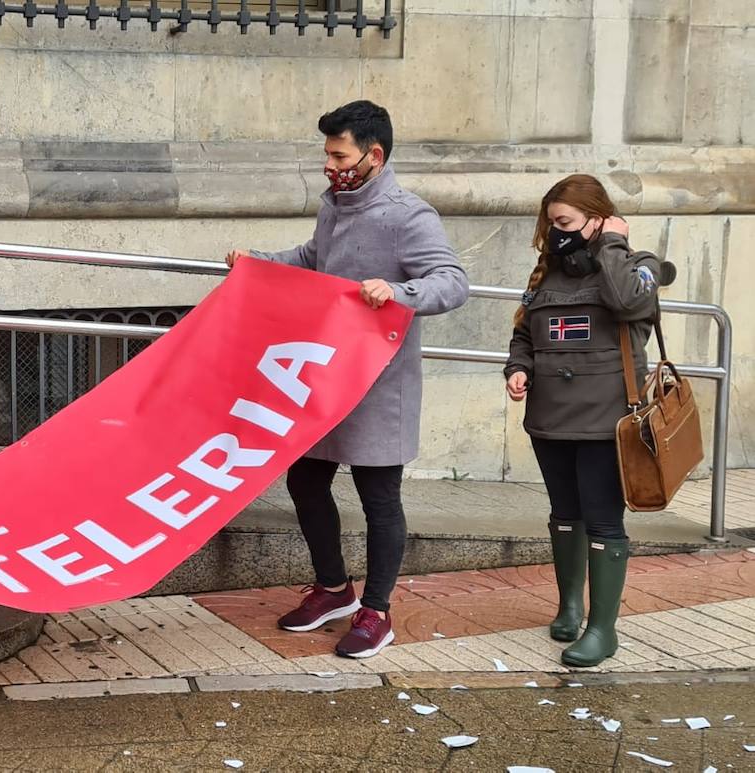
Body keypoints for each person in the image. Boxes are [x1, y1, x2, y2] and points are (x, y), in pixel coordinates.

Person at [226, 100, 469, 659]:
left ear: (373, 155)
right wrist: (257, 262)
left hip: (380, 383)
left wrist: (400, 292)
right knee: (306, 481)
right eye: (327, 154)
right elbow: (315, 258)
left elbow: (452, 282)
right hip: (325, 375)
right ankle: (333, 588)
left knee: (378, 496)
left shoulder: (411, 215)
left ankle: (377, 613)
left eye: (339, 155)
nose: (330, 165)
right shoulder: (334, 205)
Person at [504, 174, 663, 668]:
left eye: (566, 222)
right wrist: (519, 368)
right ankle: (570, 608)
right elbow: (525, 334)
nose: (556, 232)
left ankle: (602, 630)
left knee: (602, 519)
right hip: (550, 420)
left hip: (606, 422)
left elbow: (627, 301)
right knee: (564, 515)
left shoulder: (639, 267)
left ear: (597, 218)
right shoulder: (545, 274)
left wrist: (613, 241)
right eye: (552, 222)